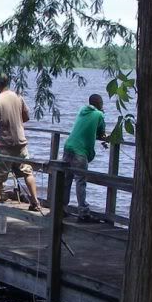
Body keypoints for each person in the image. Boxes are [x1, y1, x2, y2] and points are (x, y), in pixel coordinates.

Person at [0, 73, 44, 213]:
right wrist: (16, 123)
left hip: (5, 144)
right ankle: (36, 202)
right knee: (27, 172)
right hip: (21, 142)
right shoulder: (18, 96)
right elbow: (26, 117)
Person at [62, 93, 109, 222]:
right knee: (80, 181)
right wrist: (102, 114)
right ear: (99, 104)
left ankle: (61, 209)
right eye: (102, 103)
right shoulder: (99, 115)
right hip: (79, 151)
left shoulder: (82, 110)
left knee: (66, 181)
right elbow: (101, 133)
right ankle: (83, 212)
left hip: (68, 147)